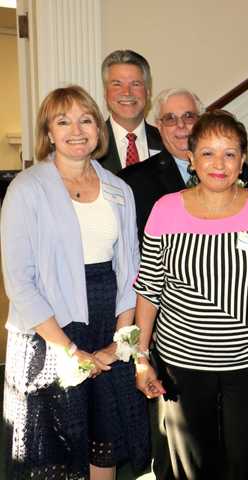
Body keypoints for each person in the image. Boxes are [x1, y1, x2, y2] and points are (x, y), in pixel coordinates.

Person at [133, 110, 248, 479]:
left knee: (247, 462)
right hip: (182, 364)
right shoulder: (166, 210)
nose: (219, 164)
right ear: (191, 158)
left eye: (229, 153)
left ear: (242, 160)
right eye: (208, 153)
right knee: (192, 467)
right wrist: (141, 357)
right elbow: (148, 291)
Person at [1, 85, 148, 479]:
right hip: (49, 330)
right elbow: (19, 280)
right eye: (63, 121)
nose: (76, 130)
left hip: (107, 321)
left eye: (85, 119)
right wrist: (67, 349)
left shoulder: (119, 189)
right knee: (58, 447)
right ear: (48, 132)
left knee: (106, 441)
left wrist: (119, 340)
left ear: (98, 130)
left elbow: (131, 268)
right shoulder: (26, 189)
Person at [119, 88, 248, 239]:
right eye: (170, 118)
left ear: (201, 121)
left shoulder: (231, 168)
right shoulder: (134, 181)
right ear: (159, 126)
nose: (181, 125)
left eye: (188, 116)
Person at [98, 49, 162, 173]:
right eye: (117, 84)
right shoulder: (92, 145)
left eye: (136, 84)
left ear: (148, 92)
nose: (127, 92)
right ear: (105, 93)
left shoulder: (166, 142)